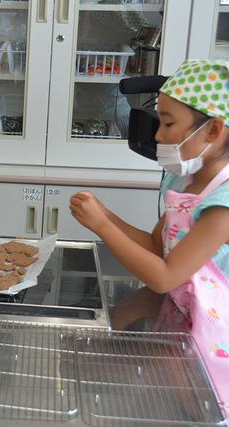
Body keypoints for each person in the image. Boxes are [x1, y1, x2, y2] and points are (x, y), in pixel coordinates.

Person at [70, 59, 229, 415]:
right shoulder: (182, 180)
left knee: (198, 409)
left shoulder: (223, 205)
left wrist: (103, 227)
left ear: (214, 130)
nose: (158, 135)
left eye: (169, 123)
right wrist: (106, 215)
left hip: (214, 335)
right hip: (176, 319)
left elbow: (165, 276)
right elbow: (159, 247)